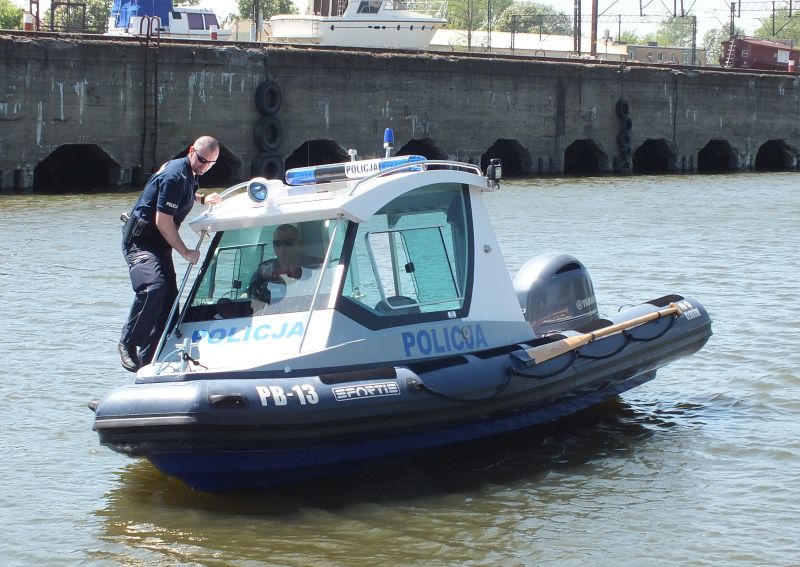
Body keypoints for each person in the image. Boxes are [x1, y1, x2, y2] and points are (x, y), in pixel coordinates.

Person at [118, 136, 222, 372]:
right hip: (140, 241)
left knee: (169, 306)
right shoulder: (174, 174)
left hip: (160, 244)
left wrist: (202, 198)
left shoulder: (190, 173)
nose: (204, 166)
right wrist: (186, 252)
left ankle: (148, 365)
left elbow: (185, 192)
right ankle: (127, 343)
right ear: (191, 151)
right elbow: (163, 221)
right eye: (202, 160)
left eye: (210, 164)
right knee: (154, 288)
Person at [247, 224, 320, 314]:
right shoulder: (262, 273)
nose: (282, 248)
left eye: (288, 243)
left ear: (299, 245)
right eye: (277, 243)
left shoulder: (319, 268)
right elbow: (254, 306)